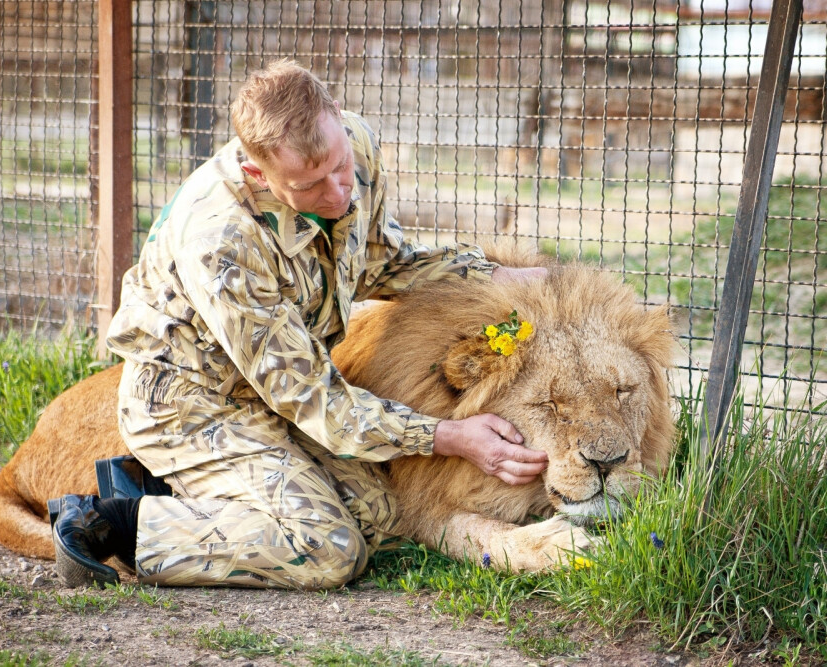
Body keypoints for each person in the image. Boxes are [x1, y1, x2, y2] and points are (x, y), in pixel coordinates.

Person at [51, 59, 548, 590]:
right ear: (257, 174)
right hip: (189, 403)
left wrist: (496, 275)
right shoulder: (222, 243)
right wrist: (448, 436)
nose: (338, 193)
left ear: (336, 116)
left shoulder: (353, 141)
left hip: (272, 386)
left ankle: (203, 494)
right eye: (310, 185)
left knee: (381, 513)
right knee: (327, 549)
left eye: (339, 166)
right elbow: (312, 399)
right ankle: (114, 520)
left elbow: (382, 259)